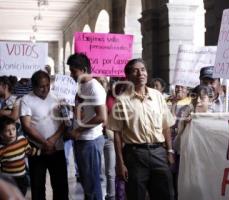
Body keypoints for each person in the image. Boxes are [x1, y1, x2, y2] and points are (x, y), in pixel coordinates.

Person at [108, 58, 175, 200]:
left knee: (166, 194)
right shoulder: (122, 101)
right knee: (136, 195)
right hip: (135, 156)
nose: (140, 74)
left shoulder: (157, 96)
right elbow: (117, 134)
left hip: (159, 153)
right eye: (135, 71)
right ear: (128, 76)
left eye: (143, 70)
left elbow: (166, 125)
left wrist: (169, 150)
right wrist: (120, 163)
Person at [20, 70, 69, 200]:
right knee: (38, 186)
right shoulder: (26, 100)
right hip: (37, 150)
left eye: (47, 85)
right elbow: (27, 126)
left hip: (57, 148)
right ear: (34, 86)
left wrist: (52, 140)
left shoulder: (57, 97)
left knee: (60, 186)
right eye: (41, 86)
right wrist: (45, 142)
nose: (45, 89)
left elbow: (65, 122)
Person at [67, 53, 107, 200]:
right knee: (85, 180)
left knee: (91, 182)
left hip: (90, 140)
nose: (71, 75)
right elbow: (83, 110)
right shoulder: (81, 86)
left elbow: (102, 117)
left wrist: (78, 130)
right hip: (81, 139)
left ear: (83, 69)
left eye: (73, 71)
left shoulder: (94, 87)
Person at [0, 116, 41, 195]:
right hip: (9, 180)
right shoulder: (1, 149)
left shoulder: (22, 140)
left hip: (22, 177)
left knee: (22, 194)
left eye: (13, 129)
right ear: (1, 135)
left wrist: (37, 151)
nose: (12, 133)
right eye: (7, 131)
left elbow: (28, 151)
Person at [174, 85, 214, 152]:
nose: (198, 101)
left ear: (210, 100)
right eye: (195, 97)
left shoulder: (214, 121)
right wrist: (183, 127)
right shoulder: (185, 119)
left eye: (202, 98)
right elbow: (177, 146)